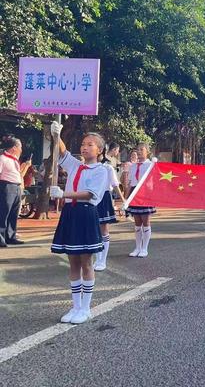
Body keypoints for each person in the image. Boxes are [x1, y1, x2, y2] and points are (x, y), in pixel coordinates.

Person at [49, 121, 108, 324]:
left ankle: (86, 308)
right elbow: (62, 151)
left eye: (90, 144)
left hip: (85, 214)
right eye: (83, 143)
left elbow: (89, 194)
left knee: (86, 261)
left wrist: (63, 193)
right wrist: (57, 134)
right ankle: (75, 307)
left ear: (99, 150)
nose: (85, 146)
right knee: (72, 260)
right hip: (70, 214)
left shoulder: (102, 170)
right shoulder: (76, 164)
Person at [94, 151, 126, 271]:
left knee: (103, 230)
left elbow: (115, 184)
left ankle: (102, 260)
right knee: (94, 229)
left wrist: (123, 200)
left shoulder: (108, 168)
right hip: (92, 198)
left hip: (104, 198)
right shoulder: (87, 167)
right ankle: (97, 259)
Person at [126, 143, 156, 257]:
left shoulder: (151, 165)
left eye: (141, 149)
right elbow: (130, 183)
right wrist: (126, 198)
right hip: (135, 193)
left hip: (145, 194)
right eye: (137, 150)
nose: (139, 152)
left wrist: (155, 164)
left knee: (146, 222)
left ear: (147, 151)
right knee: (137, 223)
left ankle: (144, 248)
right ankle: (137, 248)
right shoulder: (133, 166)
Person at [0, 135, 28, 246]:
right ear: (14, 148)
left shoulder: (14, 160)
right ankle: (1, 239)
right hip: (6, 187)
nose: (21, 150)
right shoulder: (2, 158)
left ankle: (10, 236)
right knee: (3, 213)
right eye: (20, 147)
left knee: (14, 213)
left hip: (16, 187)